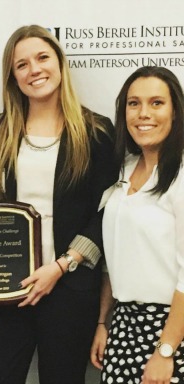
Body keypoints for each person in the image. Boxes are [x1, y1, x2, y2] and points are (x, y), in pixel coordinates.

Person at [0, 24, 118, 384]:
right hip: (7, 288)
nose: (33, 69)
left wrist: (62, 264)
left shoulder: (96, 132)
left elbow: (107, 213)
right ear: (12, 76)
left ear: (60, 63)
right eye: (21, 64)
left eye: (42, 58)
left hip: (69, 289)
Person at [90, 66, 184, 383]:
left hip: (170, 329)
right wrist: (104, 322)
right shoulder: (123, 170)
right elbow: (114, 256)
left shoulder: (181, 176)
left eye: (157, 103)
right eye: (134, 103)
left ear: (175, 112)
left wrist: (166, 350)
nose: (144, 114)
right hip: (123, 326)